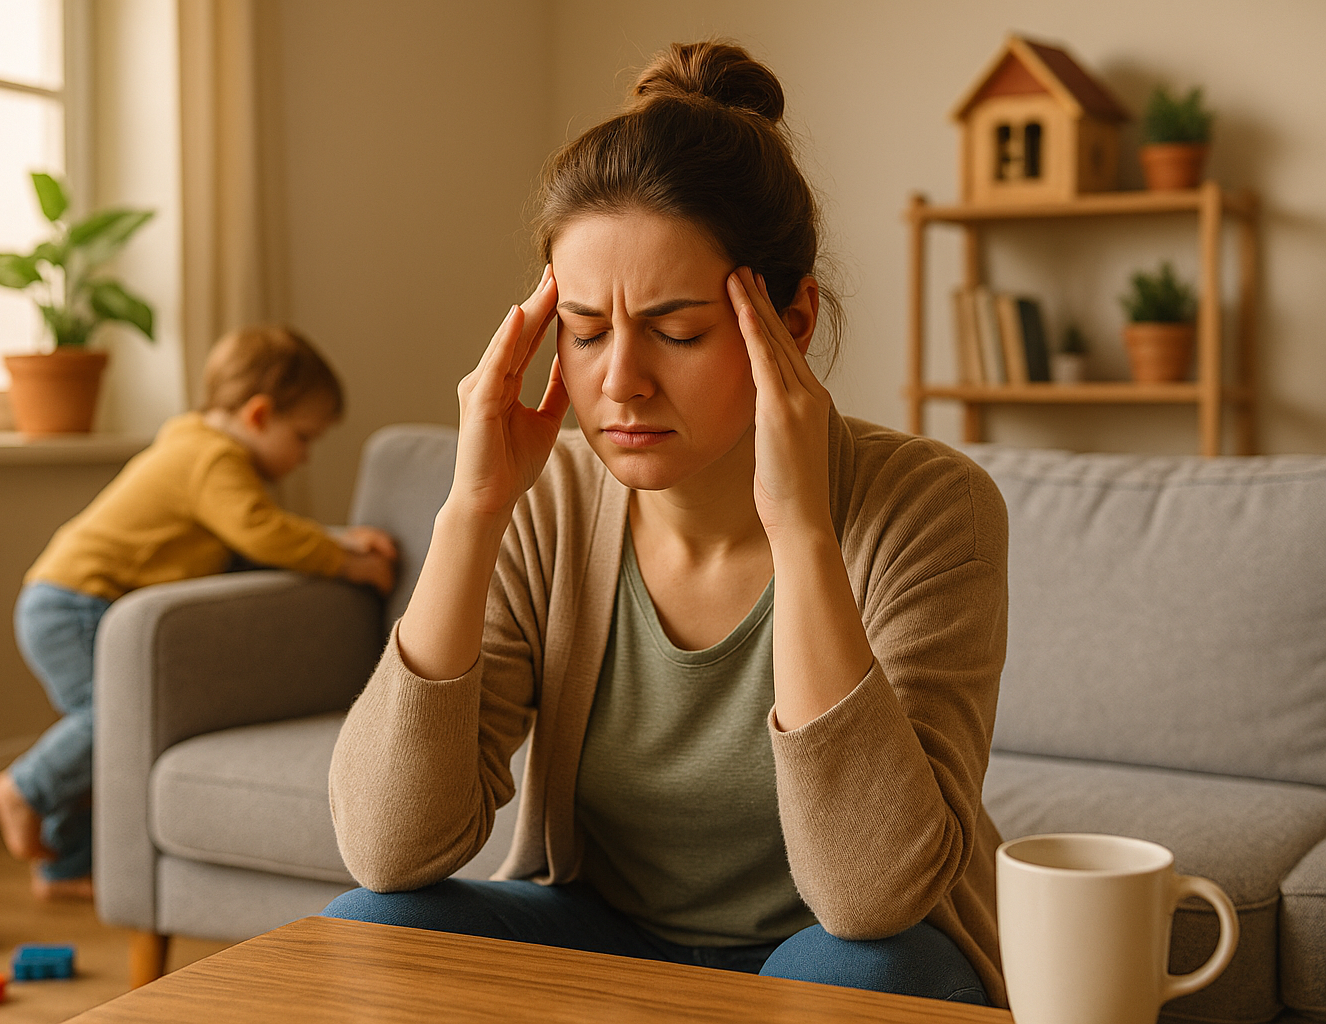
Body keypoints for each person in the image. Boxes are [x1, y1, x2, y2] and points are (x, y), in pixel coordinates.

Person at [325, 41, 1008, 1006]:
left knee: (857, 983)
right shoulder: (550, 502)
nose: (621, 383)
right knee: (372, 929)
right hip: (604, 938)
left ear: (794, 320)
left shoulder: (933, 508)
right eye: (588, 331)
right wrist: (471, 513)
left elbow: (873, 896)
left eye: (678, 331)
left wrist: (803, 531)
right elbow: (390, 850)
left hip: (840, 951)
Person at [0, 324, 398, 900]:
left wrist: (341, 540)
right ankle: (24, 790)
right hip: (75, 605)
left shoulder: (193, 445)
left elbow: (250, 539)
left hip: (70, 601)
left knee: (108, 741)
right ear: (258, 415)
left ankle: (65, 864)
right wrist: (345, 560)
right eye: (303, 437)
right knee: (115, 722)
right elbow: (263, 533)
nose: (305, 457)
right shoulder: (214, 461)